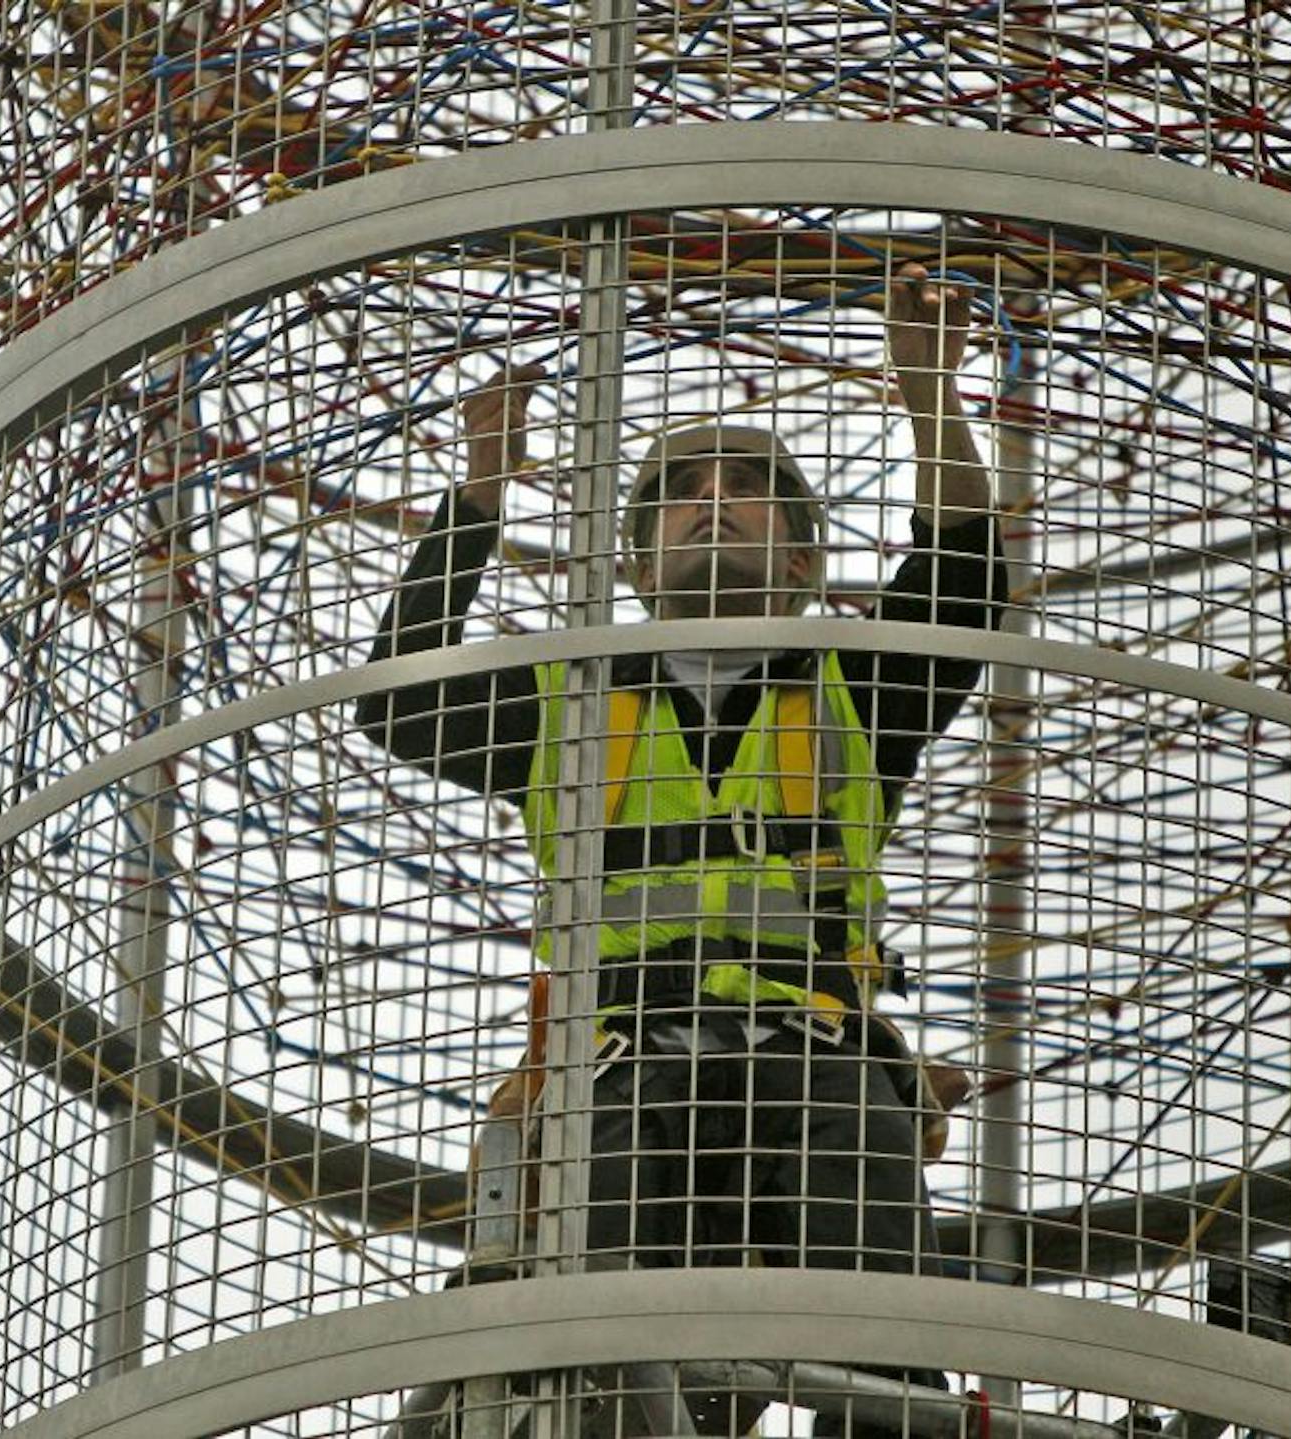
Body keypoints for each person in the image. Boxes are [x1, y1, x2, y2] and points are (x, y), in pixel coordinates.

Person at [356, 264, 1009, 1436]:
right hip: (623, 1069)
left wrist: (927, 395)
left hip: (816, 1062)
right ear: (636, 567)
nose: (713, 500)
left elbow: (965, 576)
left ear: (806, 565)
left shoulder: (860, 686)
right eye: (678, 492)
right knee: (599, 1341)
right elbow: (397, 701)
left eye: (751, 488)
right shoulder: (565, 692)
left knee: (883, 1330)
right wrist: (480, 496)